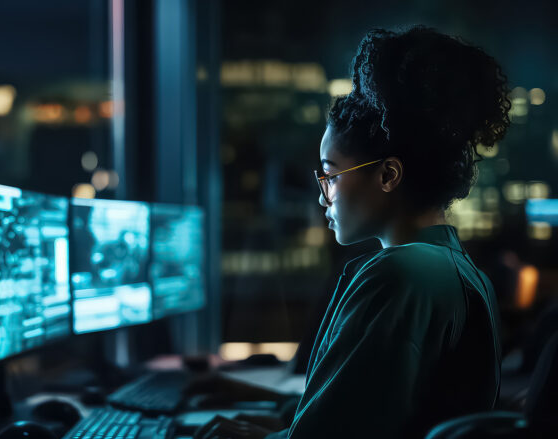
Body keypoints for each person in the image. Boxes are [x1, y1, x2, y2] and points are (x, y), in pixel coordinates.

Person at [194, 25, 510, 439]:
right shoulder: (457, 269)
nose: (324, 196)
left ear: (387, 175)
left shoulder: (401, 274)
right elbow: (374, 406)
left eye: (331, 175)